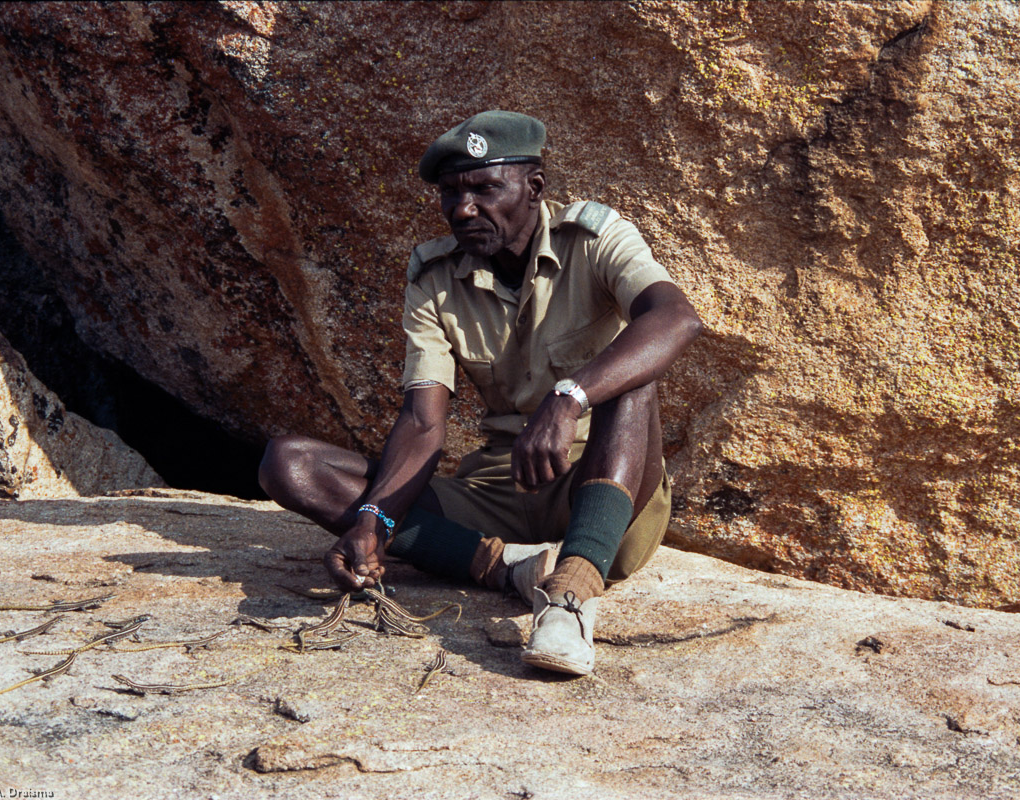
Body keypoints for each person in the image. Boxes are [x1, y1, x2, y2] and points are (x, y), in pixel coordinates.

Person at [259, 110, 702, 675]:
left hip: (604, 484)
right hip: (498, 492)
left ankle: (571, 594)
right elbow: (423, 422)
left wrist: (568, 398)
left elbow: (676, 318)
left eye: (485, 188)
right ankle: (504, 566)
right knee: (291, 465)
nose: (463, 209)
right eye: (450, 193)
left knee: (636, 374)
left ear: (534, 188)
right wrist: (373, 522)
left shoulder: (595, 237)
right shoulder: (434, 275)